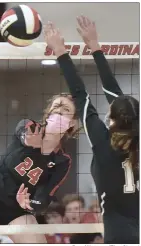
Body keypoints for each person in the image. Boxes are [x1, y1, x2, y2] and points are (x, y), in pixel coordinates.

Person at [44, 19, 139, 243]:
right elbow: (115, 96)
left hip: (119, 235)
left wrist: (61, 51)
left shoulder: (103, 143)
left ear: (111, 117)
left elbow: (81, 94)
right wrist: (94, 46)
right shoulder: (136, 139)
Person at [0, 93, 79, 243]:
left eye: (65, 109)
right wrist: (27, 138)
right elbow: (22, 130)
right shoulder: (31, 127)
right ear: (48, 114)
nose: (59, 112)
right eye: (56, 107)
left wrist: (30, 204)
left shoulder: (62, 161)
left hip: (17, 209)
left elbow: (44, 197)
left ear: (72, 123)